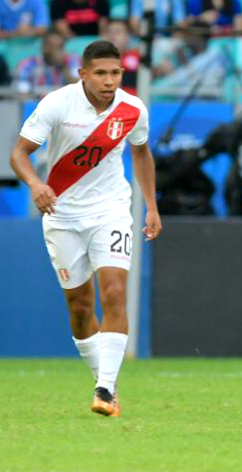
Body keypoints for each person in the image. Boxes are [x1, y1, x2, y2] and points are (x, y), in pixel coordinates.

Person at [7, 39, 160, 417]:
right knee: (79, 309)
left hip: (110, 211)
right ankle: (105, 381)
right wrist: (36, 185)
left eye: (116, 73)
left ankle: (105, 389)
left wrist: (152, 206)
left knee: (113, 291)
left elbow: (141, 152)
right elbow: (18, 153)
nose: (110, 81)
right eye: (102, 73)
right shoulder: (57, 103)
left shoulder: (132, 109)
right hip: (62, 214)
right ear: (83, 74)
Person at [16, 29, 81, 92]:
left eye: (59, 47)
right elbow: (22, 92)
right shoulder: (28, 64)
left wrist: (64, 66)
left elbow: (78, 87)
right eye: (52, 46)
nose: (55, 51)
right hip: (37, 101)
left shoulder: (73, 61)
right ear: (43, 47)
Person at [106, 18, 139, 93]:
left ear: (127, 37)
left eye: (117, 32)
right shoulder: (96, 60)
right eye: (110, 32)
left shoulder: (138, 57)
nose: (112, 35)